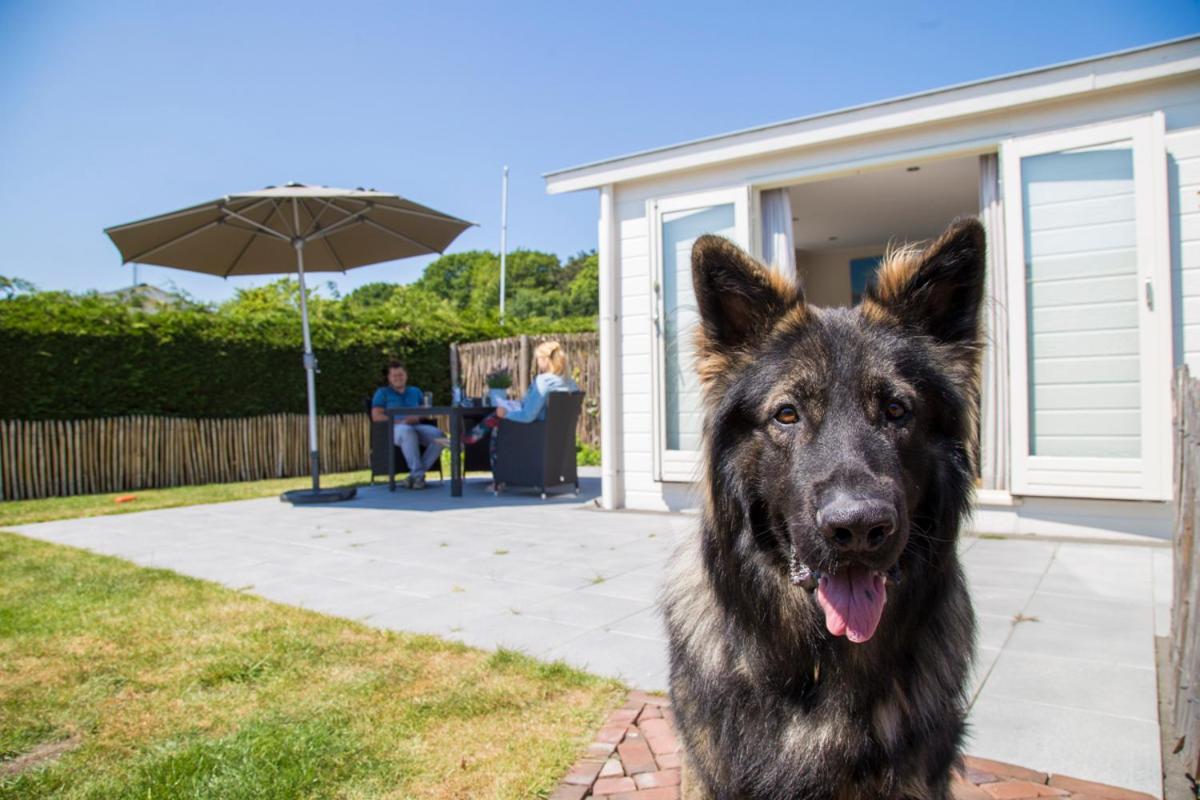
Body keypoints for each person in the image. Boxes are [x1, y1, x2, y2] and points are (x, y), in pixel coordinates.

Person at [463, 341, 580, 472]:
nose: (538, 363)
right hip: (558, 434)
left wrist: (505, 414)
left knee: (497, 419)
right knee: (499, 414)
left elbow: (528, 416)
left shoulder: (543, 381)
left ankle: (498, 477)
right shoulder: (571, 383)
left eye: (538, 359)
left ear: (545, 360)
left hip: (535, 431)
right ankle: (467, 440)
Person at [371, 361, 447, 489]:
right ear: (389, 378)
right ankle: (418, 475)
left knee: (441, 437)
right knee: (406, 431)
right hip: (394, 428)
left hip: (416, 425)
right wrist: (401, 422)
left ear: (406, 375)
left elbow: (426, 412)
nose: (398, 378)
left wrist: (418, 416)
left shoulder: (415, 391)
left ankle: (416, 475)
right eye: (394, 375)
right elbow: (376, 416)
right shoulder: (382, 392)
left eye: (400, 375)